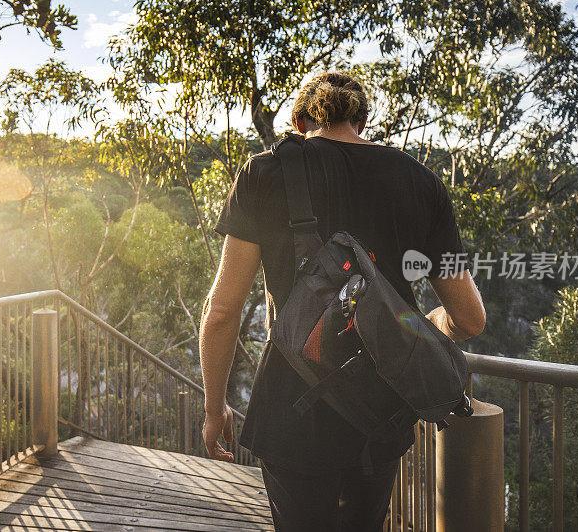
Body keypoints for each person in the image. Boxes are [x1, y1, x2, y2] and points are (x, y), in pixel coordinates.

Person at [199, 71, 486, 531]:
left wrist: (216, 410)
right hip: (381, 408)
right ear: (362, 121)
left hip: (292, 408)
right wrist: (425, 322)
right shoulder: (423, 182)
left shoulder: (264, 173)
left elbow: (222, 311)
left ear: (298, 122)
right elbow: (470, 318)